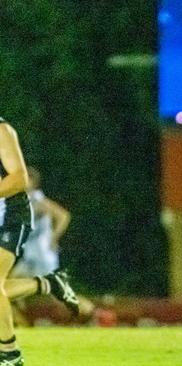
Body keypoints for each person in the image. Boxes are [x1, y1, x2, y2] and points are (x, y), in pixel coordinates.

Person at [0, 119, 80, 365]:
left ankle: (10, 354)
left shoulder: (1, 130)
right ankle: (48, 283)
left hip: (11, 215)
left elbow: (19, 178)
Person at [10, 167, 94, 324]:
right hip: (31, 257)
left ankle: (89, 311)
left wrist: (53, 238)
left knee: (56, 295)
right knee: (7, 289)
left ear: (33, 182)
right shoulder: (24, 200)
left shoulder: (37, 200)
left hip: (41, 257)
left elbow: (63, 216)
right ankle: (23, 325)